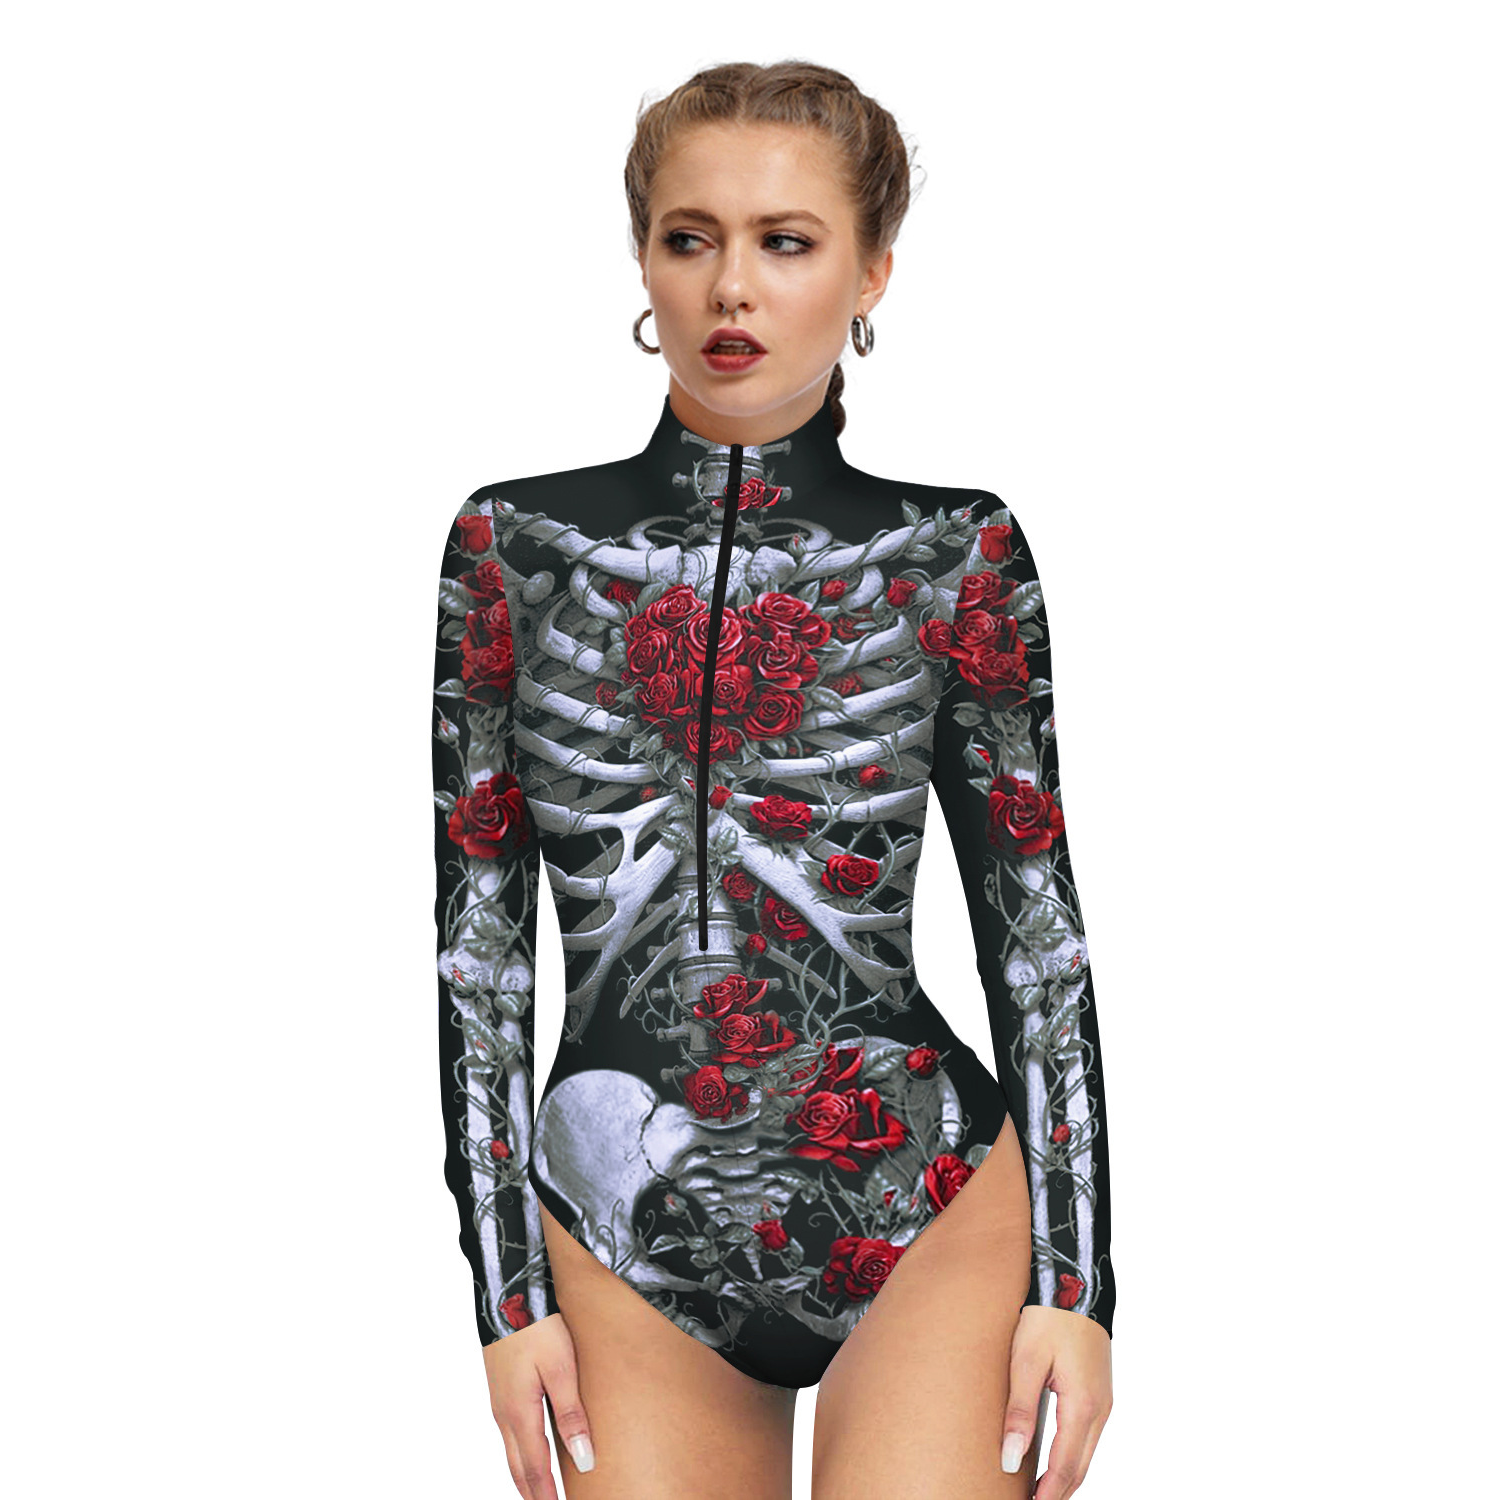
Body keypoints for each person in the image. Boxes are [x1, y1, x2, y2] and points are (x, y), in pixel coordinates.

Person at [432, 61, 1115, 1500]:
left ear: (871, 273)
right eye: (691, 238)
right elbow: (479, 947)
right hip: (619, 1218)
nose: (731, 287)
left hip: (923, 1203)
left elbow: (1036, 933)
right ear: (644, 263)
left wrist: (1080, 1284)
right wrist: (503, 1296)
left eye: (786, 241)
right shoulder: (511, 549)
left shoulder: (957, 553)